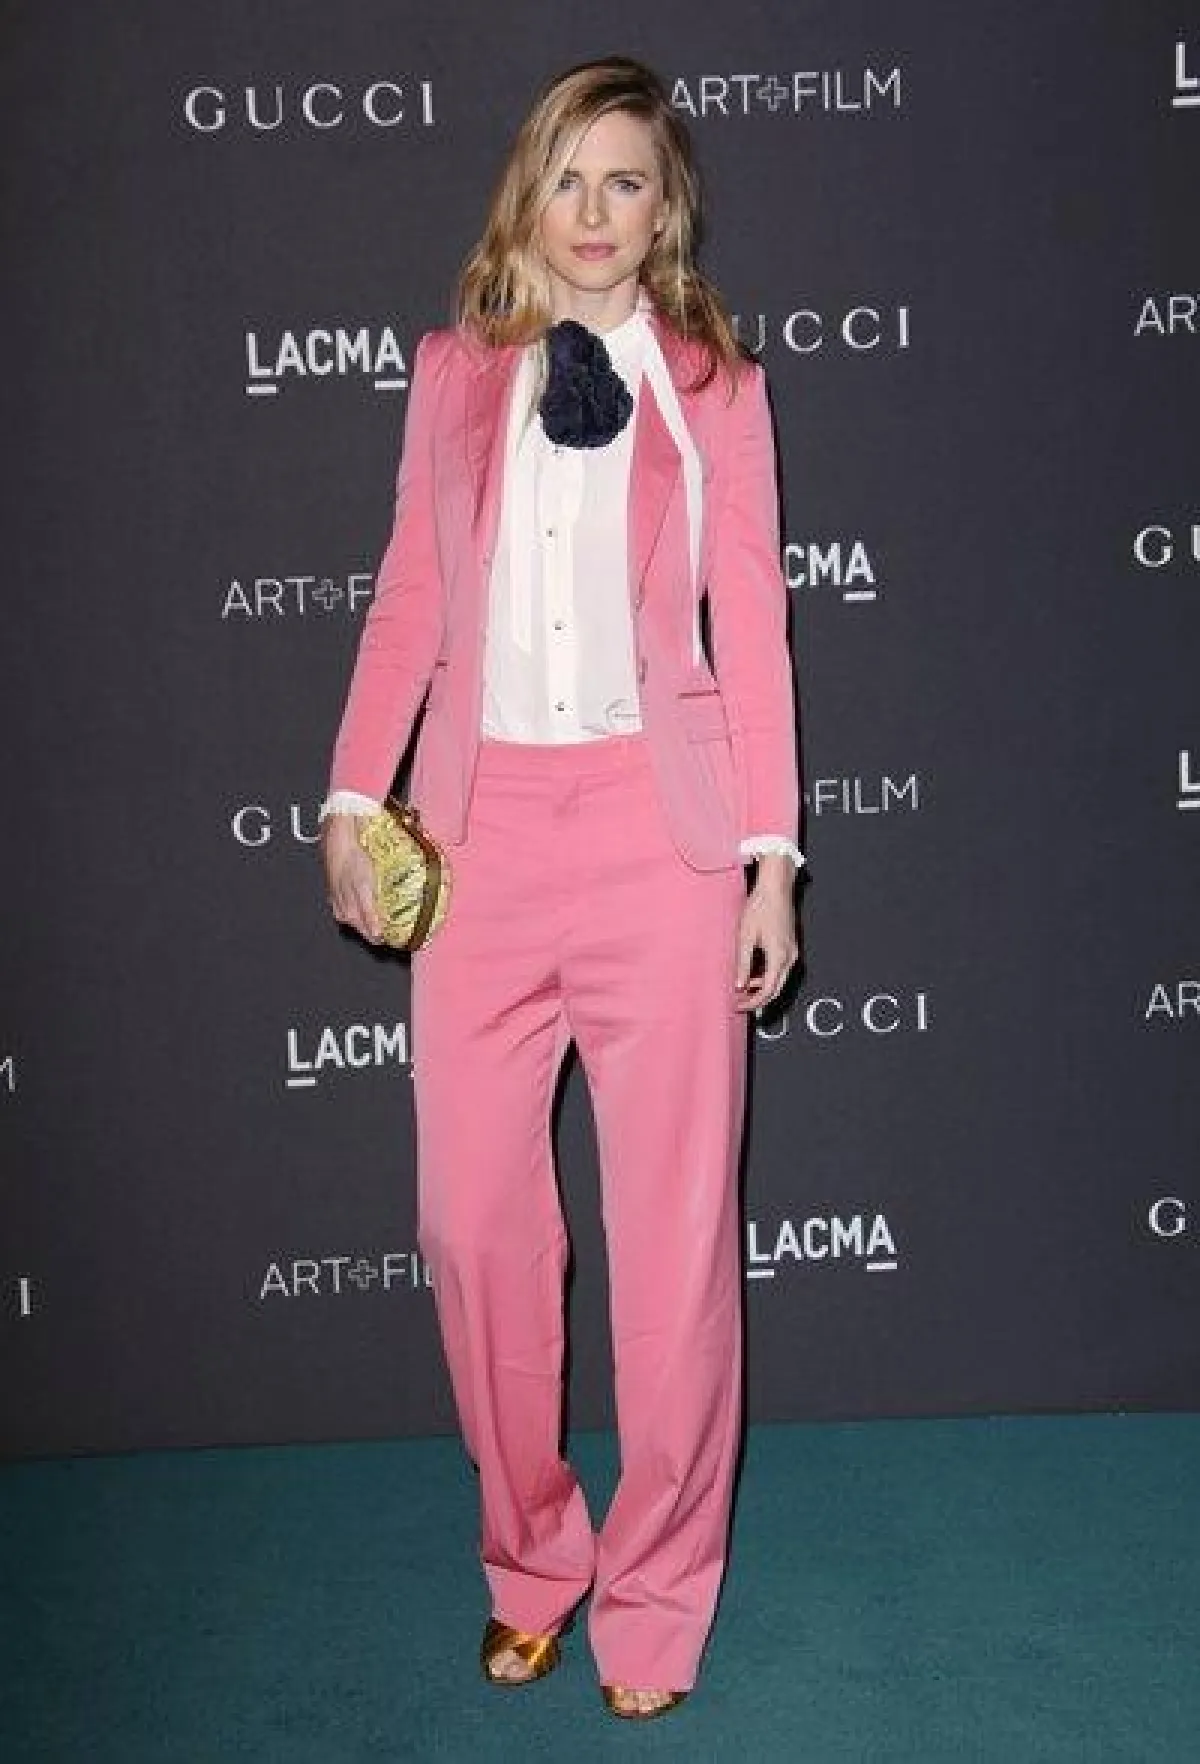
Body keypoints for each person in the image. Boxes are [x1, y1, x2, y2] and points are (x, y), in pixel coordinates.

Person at [319, 55, 803, 1722]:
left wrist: (770, 860)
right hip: (481, 845)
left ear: (665, 215)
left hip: (663, 845)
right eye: (570, 179)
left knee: (673, 1252)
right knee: (472, 1231)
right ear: (530, 194)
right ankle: (532, 1557)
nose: (596, 213)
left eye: (628, 184)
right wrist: (349, 796)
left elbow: (756, 630)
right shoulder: (452, 375)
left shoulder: (716, 387)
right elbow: (406, 595)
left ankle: (657, 1599)